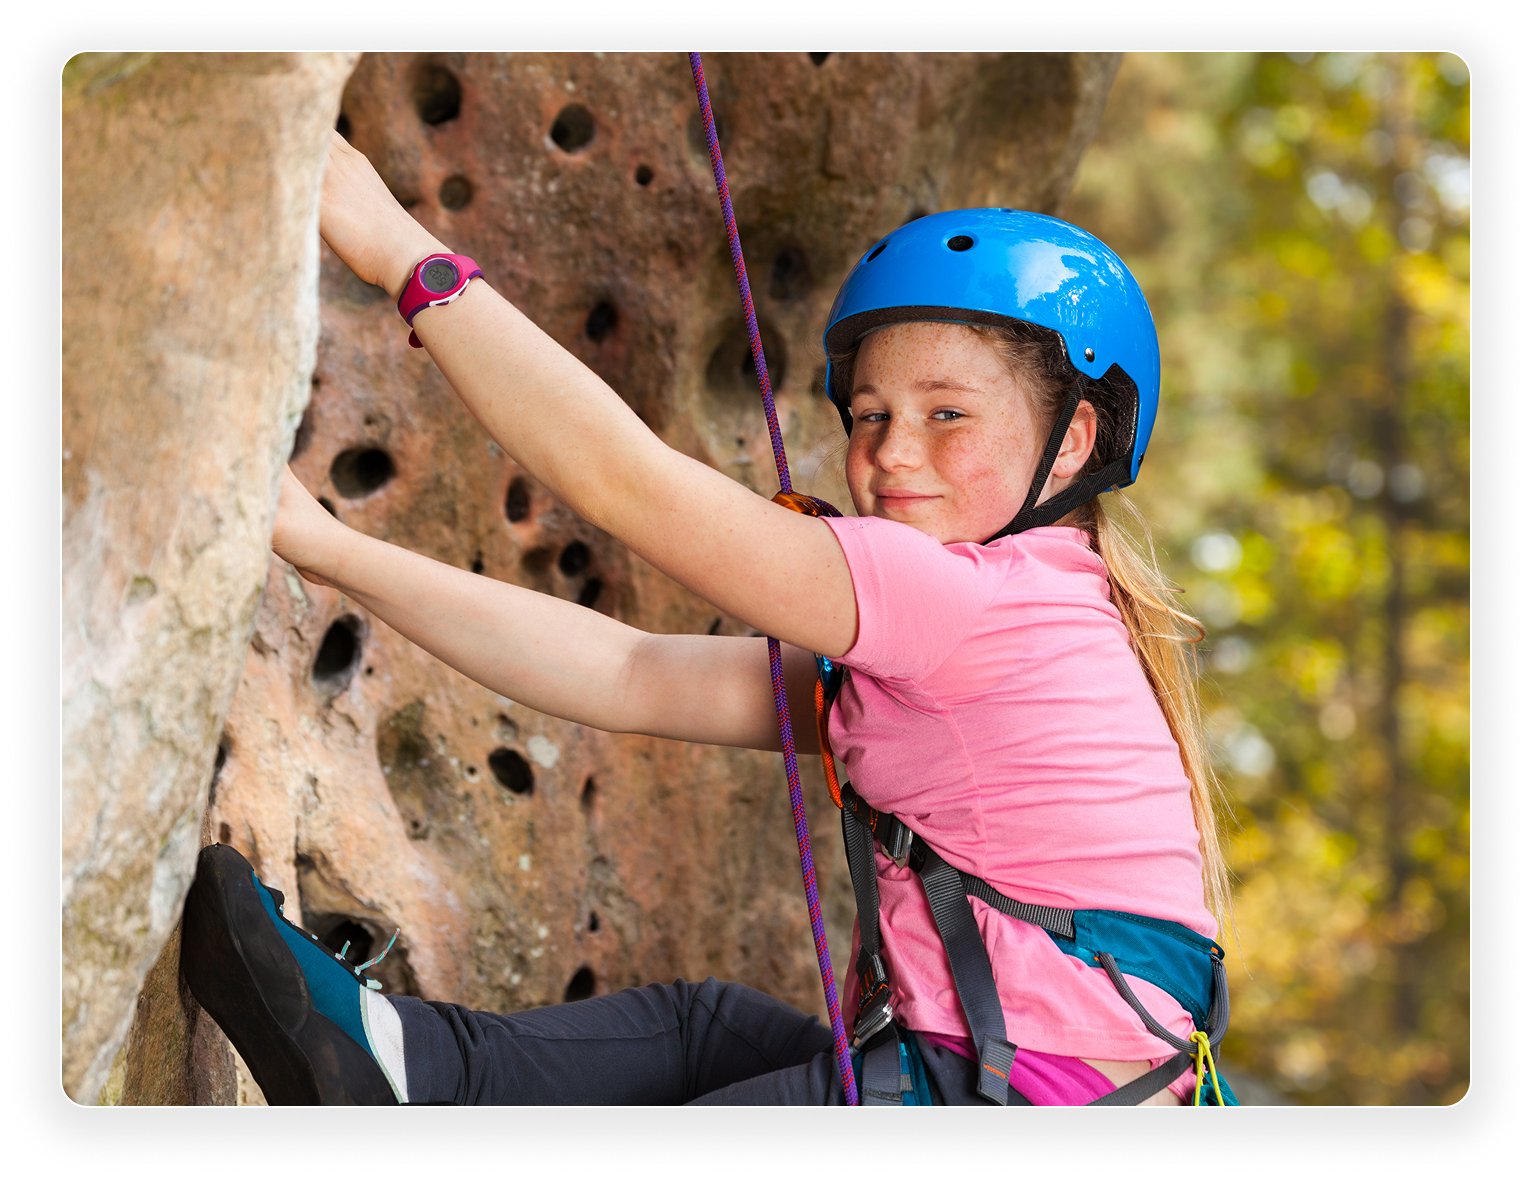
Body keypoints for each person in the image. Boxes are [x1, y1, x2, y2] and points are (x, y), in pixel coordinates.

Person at [180, 132, 1233, 1107]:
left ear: (1071, 440)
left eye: (946, 413)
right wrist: (332, 550)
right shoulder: (1033, 621)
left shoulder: (967, 597)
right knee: (706, 1031)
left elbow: (621, 480)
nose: (892, 452)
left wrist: (396, 250)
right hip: (1023, 1086)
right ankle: (407, 1064)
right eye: (870, 414)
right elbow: (629, 672)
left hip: (990, 1093)